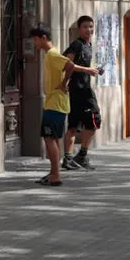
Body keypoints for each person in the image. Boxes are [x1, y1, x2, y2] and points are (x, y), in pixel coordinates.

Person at [30, 25, 76, 186]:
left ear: (43, 38)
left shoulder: (52, 54)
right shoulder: (50, 55)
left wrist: (64, 83)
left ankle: (56, 175)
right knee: (53, 138)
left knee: (49, 138)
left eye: (35, 40)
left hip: (55, 104)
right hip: (56, 103)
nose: (35, 44)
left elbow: (70, 65)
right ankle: (52, 173)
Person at [61, 15, 106, 170]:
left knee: (78, 125)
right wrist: (65, 82)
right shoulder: (77, 45)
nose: (89, 29)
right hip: (80, 91)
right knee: (93, 120)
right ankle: (74, 157)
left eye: (91, 27)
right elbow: (66, 64)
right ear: (79, 29)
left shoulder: (88, 45)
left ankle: (77, 156)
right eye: (85, 27)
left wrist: (94, 70)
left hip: (82, 88)